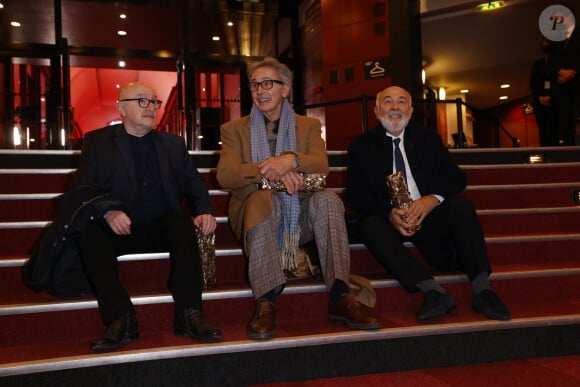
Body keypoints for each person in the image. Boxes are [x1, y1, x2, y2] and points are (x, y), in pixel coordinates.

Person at [217, 57, 380, 340]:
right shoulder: (233, 130)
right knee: (261, 199)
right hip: (256, 213)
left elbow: (321, 164)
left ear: (286, 88)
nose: (260, 90)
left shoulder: (307, 126)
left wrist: (291, 160)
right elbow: (226, 175)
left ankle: (341, 296)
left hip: (299, 214)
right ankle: (266, 301)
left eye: (268, 83)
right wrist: (272, 171)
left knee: (329, 200)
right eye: (255, 85)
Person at [73, 82, 222, 352]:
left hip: (160, 224)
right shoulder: (97, 142)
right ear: (121, 108)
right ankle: (121, 317)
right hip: (117, 228)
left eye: (154, 102)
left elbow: (193, 182)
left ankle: (189, 314)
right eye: (143, 101)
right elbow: (83, 187)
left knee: (182, 226)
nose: (151, 107)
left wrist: (203, 211)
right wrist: (108, 210)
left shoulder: (173, 144)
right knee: (90, 234)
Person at [345, 85, 511, 322]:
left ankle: (483, 289)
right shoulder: (361, 145)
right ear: (376, 110)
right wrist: (389, 213)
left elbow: (457, 178)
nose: (394, 107)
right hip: (389, 222)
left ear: (410, 111)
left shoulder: (428, 139)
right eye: (388, 101)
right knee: (368, 225)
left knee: (462, 207)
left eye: (401, 102)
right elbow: (355, 194)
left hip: (428, 217)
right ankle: (432, 291)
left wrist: (430, 200)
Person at [530, 38, 559, 146]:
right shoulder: (537, 64)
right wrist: (539, 98)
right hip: (539, 102)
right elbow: (533, 84)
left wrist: (550, 96)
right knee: (542, 130)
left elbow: (557, 82)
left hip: (554, 101)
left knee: (553, 129)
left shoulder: (557, 64)